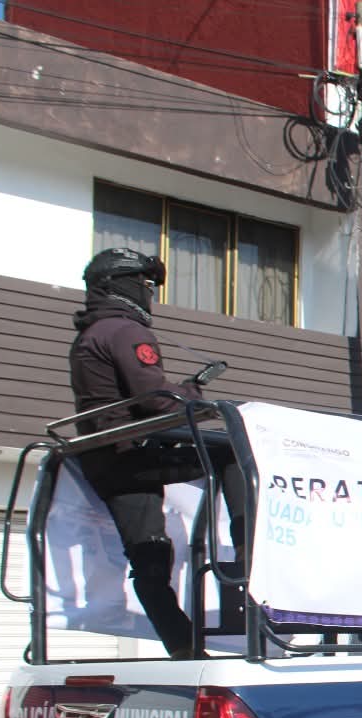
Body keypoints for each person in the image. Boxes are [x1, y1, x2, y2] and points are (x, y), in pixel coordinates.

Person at [69, 247, 244, 658]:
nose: (150, 294)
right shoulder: (125, 330)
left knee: (149, 557)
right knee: (232, 453)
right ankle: (252, 563)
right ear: (122, 285)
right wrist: (194, 392)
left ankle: (184, 649)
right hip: (133, 454)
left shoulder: (89, 334)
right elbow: (158, 402)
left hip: (106, 459)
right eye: (146, 285)